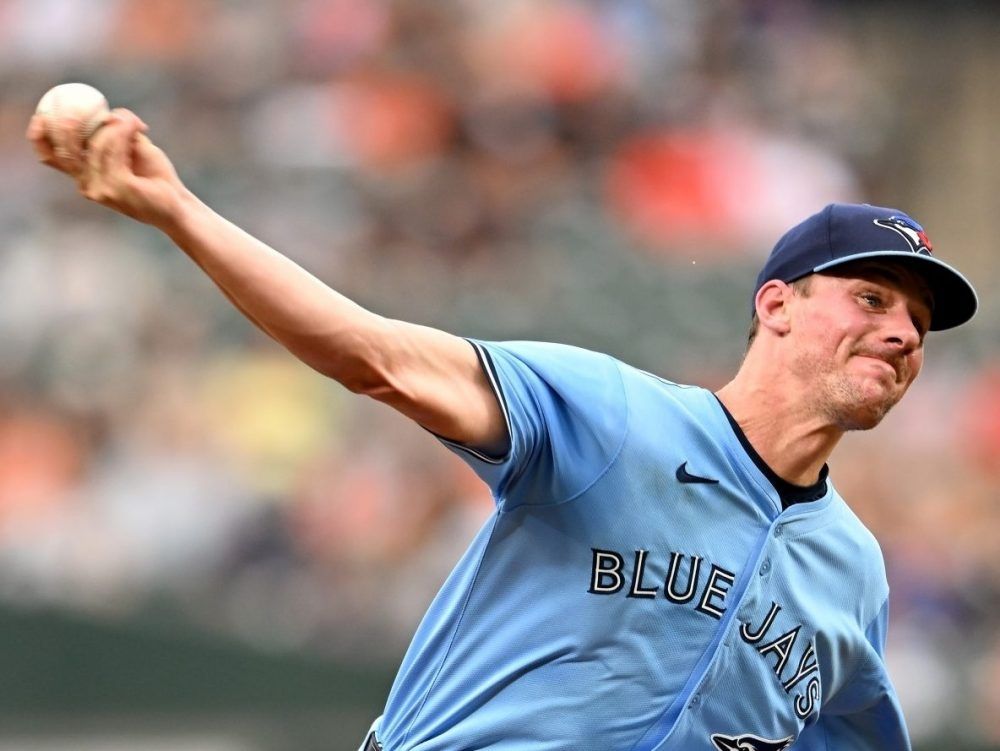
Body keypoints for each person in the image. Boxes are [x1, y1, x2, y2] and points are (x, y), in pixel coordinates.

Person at [28, 109, 978, 751]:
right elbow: (375, 357)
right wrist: (178, 211)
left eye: (918, 326)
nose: (899, 332)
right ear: (775, 304)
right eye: (870, 295)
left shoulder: (851, 572)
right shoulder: (613, 415)